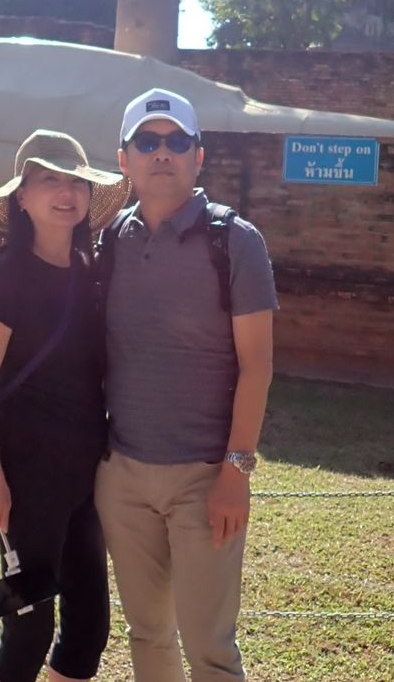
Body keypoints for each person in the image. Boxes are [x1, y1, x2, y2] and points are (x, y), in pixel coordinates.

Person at [94, 88, 277, 681]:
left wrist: (235, 473)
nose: (162, 153)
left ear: (198, 157)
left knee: (210, 650)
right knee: (147, 634)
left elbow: (257, 365)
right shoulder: (108, 241)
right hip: (122, 474)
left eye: (177, 141)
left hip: (205, 477)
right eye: (147, 141)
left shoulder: (235, 241)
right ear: (123, 159)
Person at [0, 129, 131, 682]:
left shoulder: (90, 272)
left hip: (83, 478)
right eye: (48, 180)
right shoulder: (4, 275)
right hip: (24, 480)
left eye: (75, 181)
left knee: (89, 629)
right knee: (27, 628)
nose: (65, 192)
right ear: (23, 198)